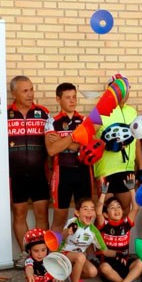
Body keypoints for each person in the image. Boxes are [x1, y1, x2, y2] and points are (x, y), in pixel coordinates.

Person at [7, 75, 50, 268]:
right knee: (19, 213)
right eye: (25, 90)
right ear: (13, 93)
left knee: (41, 213)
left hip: (39, 173)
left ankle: (43, 253)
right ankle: (26, 254)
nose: (30, 94)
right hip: (15, 174)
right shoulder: (4, 114)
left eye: (32, 89)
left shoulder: (43, 113)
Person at [45, 83, 93, 233]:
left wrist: (62, 140)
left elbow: (90, 148)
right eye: (68, 98)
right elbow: (52, 150)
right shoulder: (52, 122)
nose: (72, 101)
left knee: (86, 216)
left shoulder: (85, 121)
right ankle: (54, 254)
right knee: (60, 217)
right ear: (58, 100)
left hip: (84, 172)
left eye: (74, 97)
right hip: (62, 173)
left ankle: (89, 254)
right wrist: (74, 138)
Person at [93, 82, 142, 215]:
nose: (123, 93)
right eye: (120, 89)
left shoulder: (132, 112)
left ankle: (123, 237)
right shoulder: (100, 111)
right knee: (104, 212)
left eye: (126, 89)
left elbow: (137, 141)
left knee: (125, 211)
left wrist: (141, 167)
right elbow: (89, 138)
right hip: (105, 169)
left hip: (127, 168)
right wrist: (106, 145)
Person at [96, 175, 142, 282]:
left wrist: (131, 189)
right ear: (106, 214)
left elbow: (136, 208)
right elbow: (98, 212)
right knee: (103, 267)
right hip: (109, 266)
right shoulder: (104, 224)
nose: (116, 210)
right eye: (112, 208)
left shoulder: (126, 223)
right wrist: (103, 193)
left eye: (119, 207)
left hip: (124, 262)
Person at [59, 197, 103, 282]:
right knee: (81, 256)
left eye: (92, 209)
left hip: (78, 259)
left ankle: (73, 276)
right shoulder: (73, 222)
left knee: (93, 272)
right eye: (85, 209)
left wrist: (119, 254)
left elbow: (104, 250)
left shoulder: (93, 230)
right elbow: (62, 236)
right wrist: (68, 232)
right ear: (77, 213)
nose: (89, 211)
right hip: (63, 255)